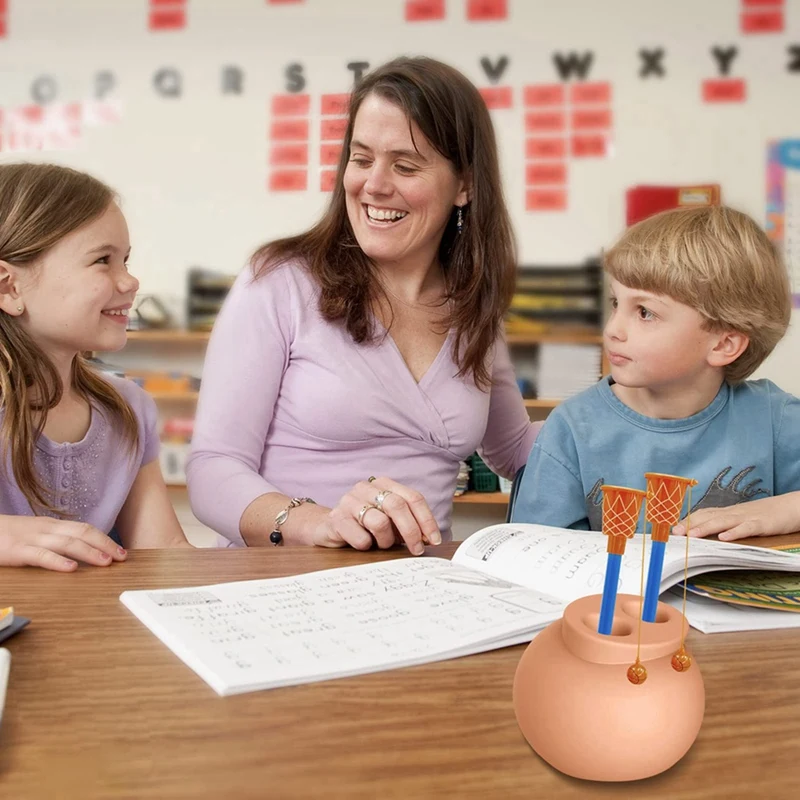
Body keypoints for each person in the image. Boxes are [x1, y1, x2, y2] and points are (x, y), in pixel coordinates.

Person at [187, 56, 540, 553]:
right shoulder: (279, 281)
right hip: (281, 583)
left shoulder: (473, 306)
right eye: (361, 158)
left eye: (405, 164)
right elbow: (212, 469)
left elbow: (514, 449)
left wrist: (633, 412)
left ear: (465, 185)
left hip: (419, 587)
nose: (373, 184)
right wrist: (320, 524)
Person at [511, 205, 800, 542]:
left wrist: (786, 509)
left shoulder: (774, 419)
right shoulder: (571, 429)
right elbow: (530, 556)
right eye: (616, 303)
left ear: (724, 344)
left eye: (645, 313)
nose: (613, 329)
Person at [0, 163, 190, 572]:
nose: (131, 281)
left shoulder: (128, 409)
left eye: (126, 259)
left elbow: (164, 550)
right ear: (9, 286)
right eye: (103, 260)